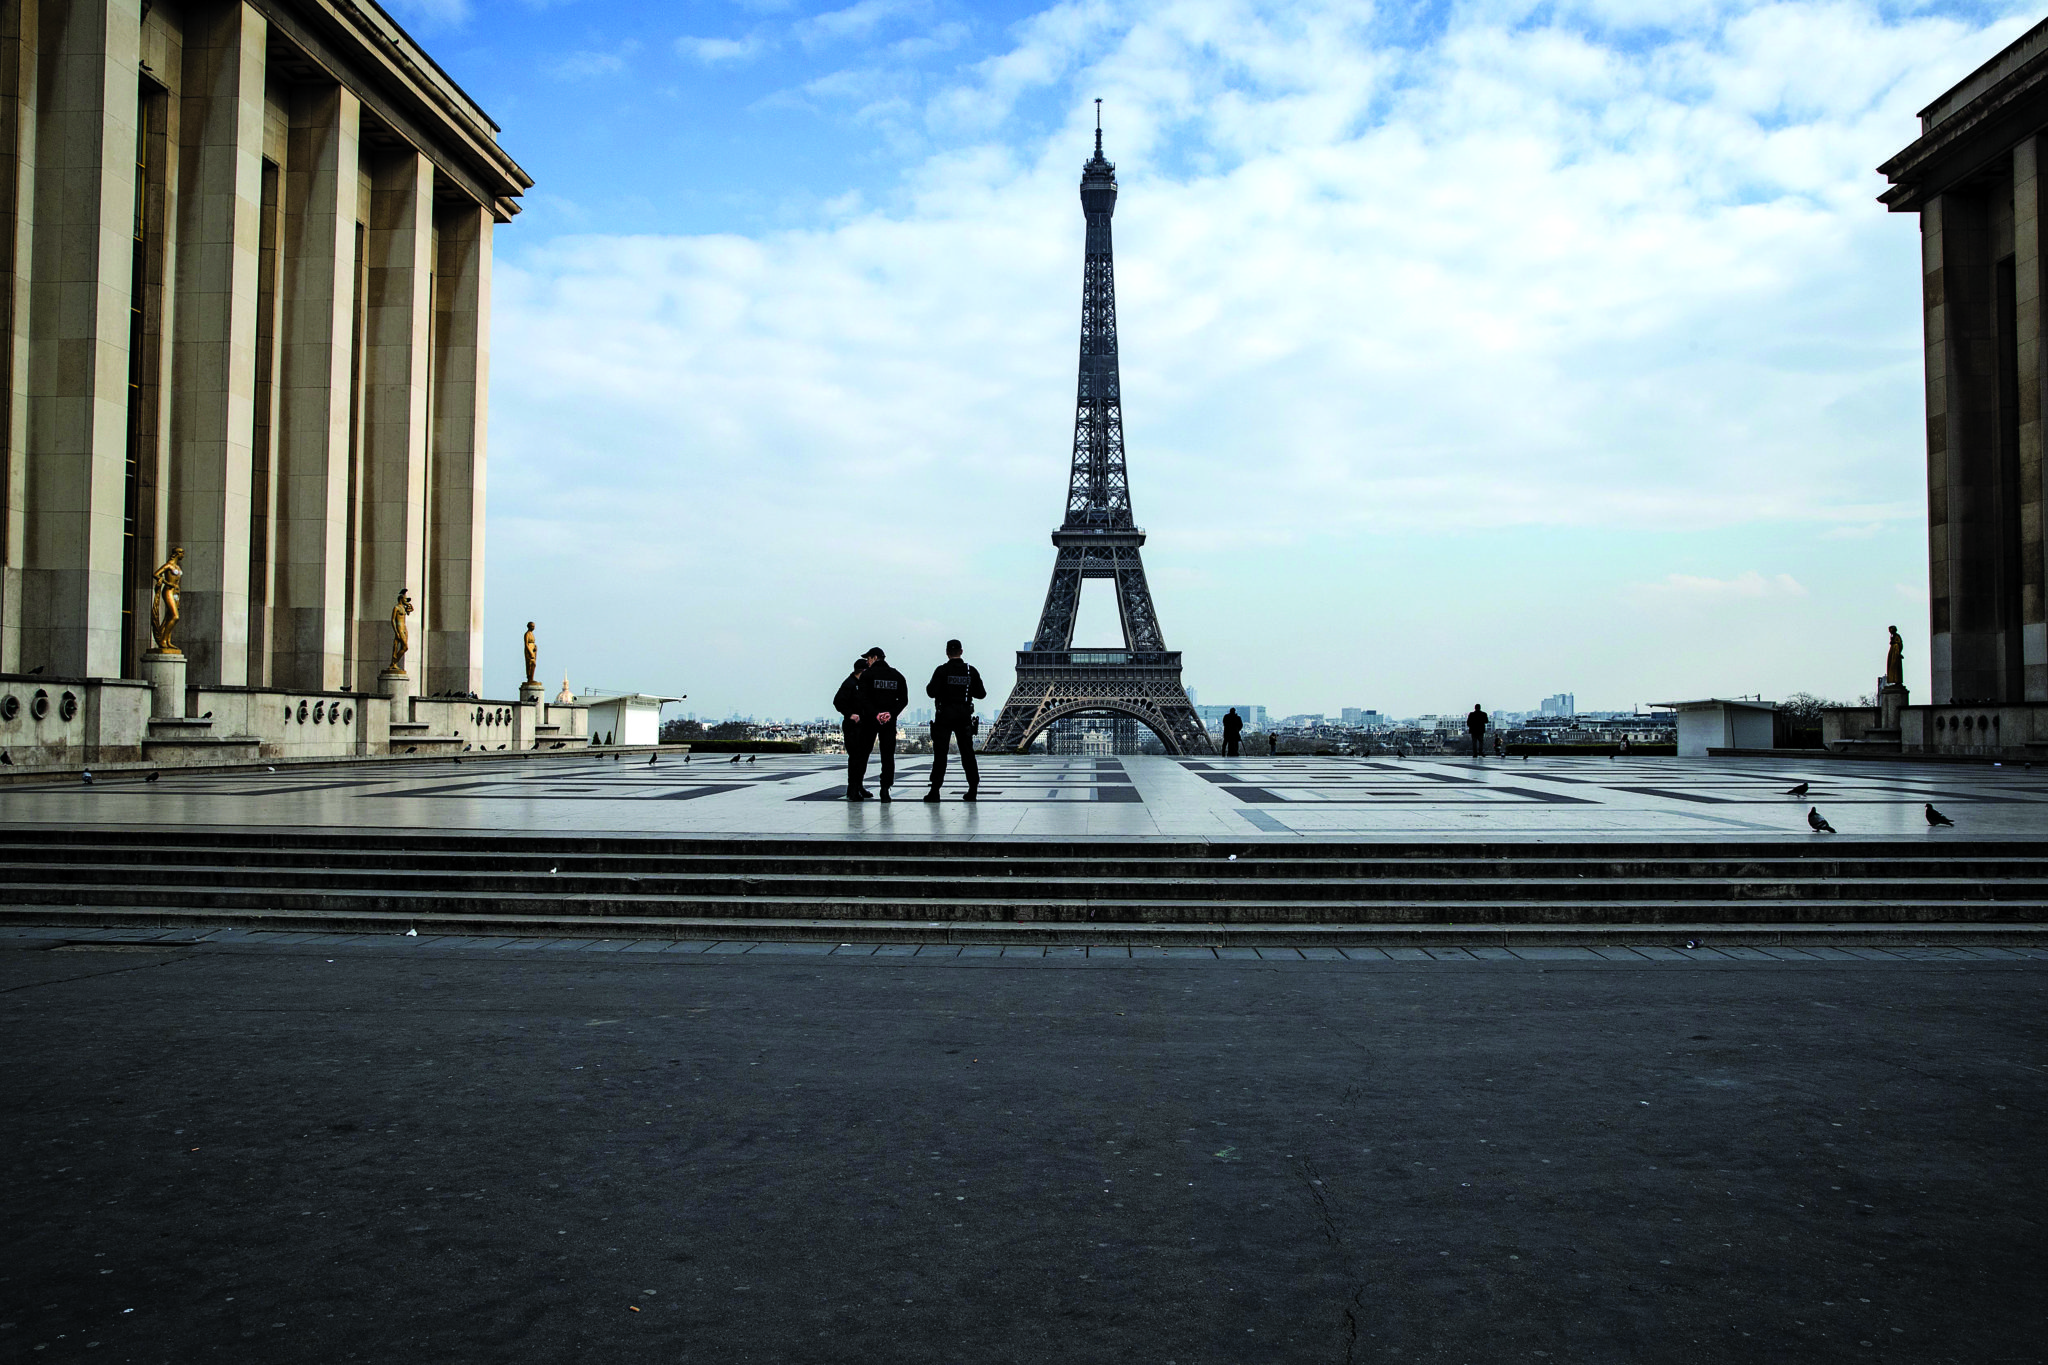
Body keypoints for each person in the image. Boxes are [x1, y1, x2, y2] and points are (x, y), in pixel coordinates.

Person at [924, 639, 986, 801]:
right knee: (967, 753)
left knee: (940, 755)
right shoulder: (970, 671)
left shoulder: (942, 670)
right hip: (964, 716)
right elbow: (981, 694)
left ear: (947, 653)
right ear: (961, 651)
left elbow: (931, 692)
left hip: (944, 716)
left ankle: (935, 790)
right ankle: (973, 788)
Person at [853, 647, 909, 801]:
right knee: (888, 756)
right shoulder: (897, 675)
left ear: (875, 657)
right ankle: (885, 789)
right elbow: (903, 700)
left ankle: (856, 788)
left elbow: (862, 698)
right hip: (889, 722)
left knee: (863, 754)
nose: (867, 662)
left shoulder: (867, 675)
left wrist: (875, 714)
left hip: (870, 721)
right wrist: (890, 713)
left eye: (868, 659)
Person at [833, 657, 873, 799]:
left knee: (862, 758)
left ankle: (858, 786)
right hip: (853, 726)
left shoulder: (861, 684)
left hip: (864, 725)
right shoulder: (849, 684)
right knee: (856, 758)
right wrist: (850, 714)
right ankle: (853, 789)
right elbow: (838, 701)